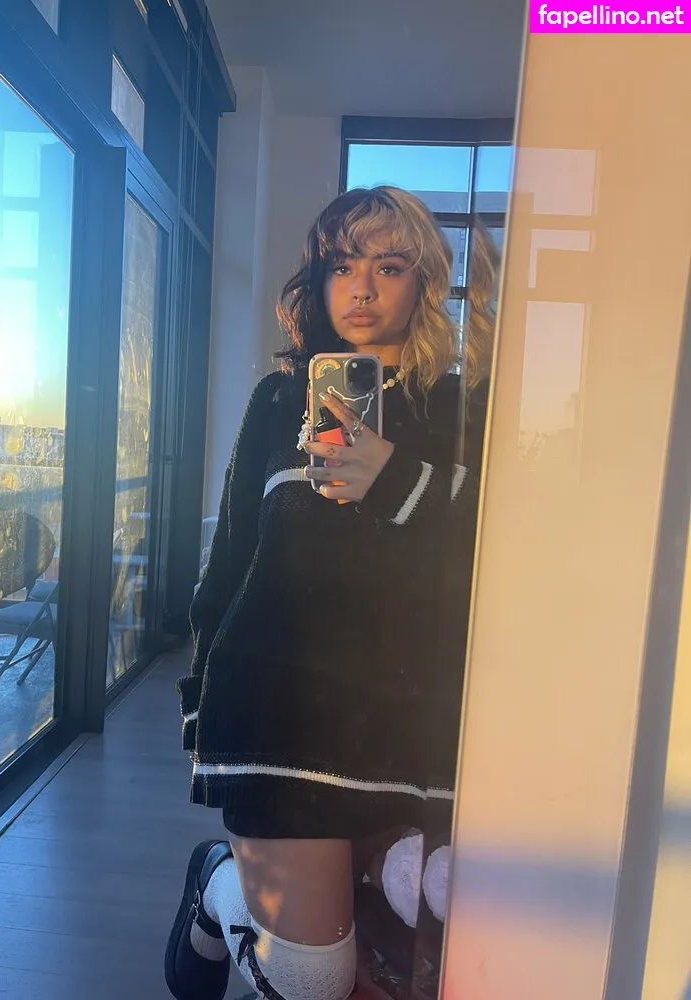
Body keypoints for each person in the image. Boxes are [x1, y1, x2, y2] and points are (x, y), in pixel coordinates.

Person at [165, 186, 484, 1000]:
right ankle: (219, 886)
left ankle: (254, 883)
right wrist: (201, 705)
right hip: (280, 716)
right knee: (313, 979)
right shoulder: (279, 403)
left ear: (424, 282)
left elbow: (506, 546)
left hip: (407, 728)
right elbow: (229, 566)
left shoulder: (463, 413)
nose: (362, 288)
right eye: (342, 266)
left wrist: (398, 480)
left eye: (389, 266)